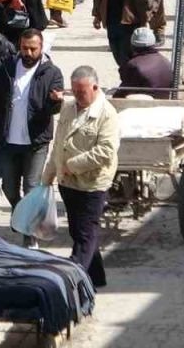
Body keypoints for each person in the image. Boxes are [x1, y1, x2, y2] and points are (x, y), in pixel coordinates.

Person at [0, 29, 64, 248]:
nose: (28, 52)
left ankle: (30, 235)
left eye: (33, 48)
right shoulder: (8, 67)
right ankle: (21, 215)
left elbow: (52, 109)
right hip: (9, 140)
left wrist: (56, 101)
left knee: (31, 187)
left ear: (41, 48)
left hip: (36, 141)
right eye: (24, 48)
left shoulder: (51, 73)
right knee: (9, 187)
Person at [43, 66, 119, 286]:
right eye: (74, 91)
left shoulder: (106, 114)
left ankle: (73, 281)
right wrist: (48, 175)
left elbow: (105, 152)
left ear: (95, 88)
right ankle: (97, 278)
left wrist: (72, 165)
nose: (77, 96)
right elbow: (58, 144)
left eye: (81, 92)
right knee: (79, 231)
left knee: (85, 234)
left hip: (92, 184)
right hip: (68, 183)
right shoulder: (68, 108)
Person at [116, 27, 172, 97]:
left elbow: (124, 90)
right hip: (164, 103)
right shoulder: (166, 62)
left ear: (132, 46)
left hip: (142, 105)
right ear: (153, 43)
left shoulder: (133, 65)